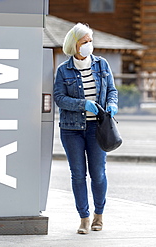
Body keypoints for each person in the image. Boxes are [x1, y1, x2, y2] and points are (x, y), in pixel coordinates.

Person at [53, 23, 118, 234]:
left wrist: (113, 104)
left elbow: (112, 90)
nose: (89, 45)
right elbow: (59, 98)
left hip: (97, 128)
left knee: (98, 173)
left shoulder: (102, 65)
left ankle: (99, 215)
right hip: (72, 129)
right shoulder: (64, 70)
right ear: (75, 45)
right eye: (85, 42)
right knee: (78, 175)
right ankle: (84, 218)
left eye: (90, 41)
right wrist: (83, 104)